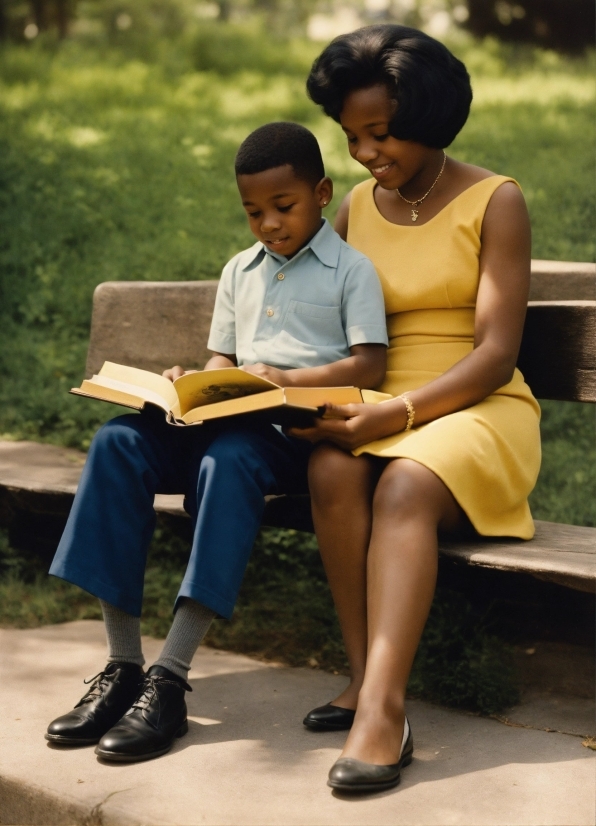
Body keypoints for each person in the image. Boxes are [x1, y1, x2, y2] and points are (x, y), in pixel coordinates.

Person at [46, 121, 388, 763]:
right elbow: (221, 358)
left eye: (282, 208)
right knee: (117, 442)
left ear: (321, 192)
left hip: (289, 433)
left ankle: (169, 680)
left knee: (228, 461)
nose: (267, 224)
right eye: (252, 212)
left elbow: (369, 366)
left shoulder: (351, 271)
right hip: (224, 418)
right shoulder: (241, 271)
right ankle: (122, 668)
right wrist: (188, 381)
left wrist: (289, 379)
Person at [293, 25, 541, 793]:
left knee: (402, 482)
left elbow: (496, 353)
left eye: (383, 132)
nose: (367, 153)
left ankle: (381, 712)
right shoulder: (359, 207)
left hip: (477, 407)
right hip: (379, 405)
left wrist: (396, 414)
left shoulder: (495, 200)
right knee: (333, 468)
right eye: (353, 136)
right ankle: (368, 677)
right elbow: (310, 307)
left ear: (429, 114)